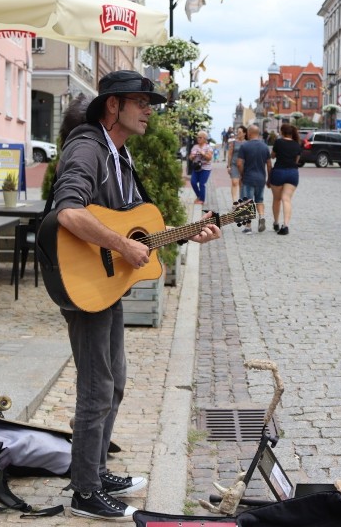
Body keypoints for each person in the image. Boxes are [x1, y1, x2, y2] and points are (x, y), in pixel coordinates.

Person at [52, 70, 221, 520]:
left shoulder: (119, 154)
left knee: (116, 380)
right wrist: (123, 245)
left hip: (107, 281)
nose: (149, 110)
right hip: (83, 278)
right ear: (114, 105)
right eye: (142, 102)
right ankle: (84, 492)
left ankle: (95, 466)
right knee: (97, 387)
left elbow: (137, 227)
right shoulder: (88, 147)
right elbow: (68, 211)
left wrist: (186, 234)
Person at [267, 123, 301, 235]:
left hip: (279, 172)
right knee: (286, 199)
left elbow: (272, 156)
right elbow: (297, 160)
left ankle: (276, 223)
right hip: (292, 173)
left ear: (282, 132)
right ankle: (285, 225)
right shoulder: (297, 145)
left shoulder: (278, 142)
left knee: (276, 199)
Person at [237, 124, 270, 233]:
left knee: (248, 201)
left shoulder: (245, 146)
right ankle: (261, 217)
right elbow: (269, 164)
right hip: (261, 178)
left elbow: (239, 163)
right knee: (259, 200)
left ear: (249, 133)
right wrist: (268, 178)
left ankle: (248, 226)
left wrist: (242, 174)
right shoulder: (265, 147)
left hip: (248, 177)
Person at [188, 131, 213, 204]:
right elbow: (190, 157)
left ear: (205, 139)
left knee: (202, 184)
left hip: (205, 168)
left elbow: (209, 158)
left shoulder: (208, 147)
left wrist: (203, 154)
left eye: (200, 137)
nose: (198, 139)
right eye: (197, 137)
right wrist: (192, 156)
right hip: (196, 167)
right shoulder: (195, 147)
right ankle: (199, 195)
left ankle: (202, 200)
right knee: (193, 182)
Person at [225, 125, 247, 203]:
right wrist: (229, 166)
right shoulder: (233, 143)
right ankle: (235, 201)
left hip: (244, 166)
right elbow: (230, 154)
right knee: (234, 182)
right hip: (234, 164)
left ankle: (241, 200)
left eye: (240, 132)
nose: (238, 134)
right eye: (237, 132)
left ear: (244, 133)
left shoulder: (247, 143)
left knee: (242, 184)